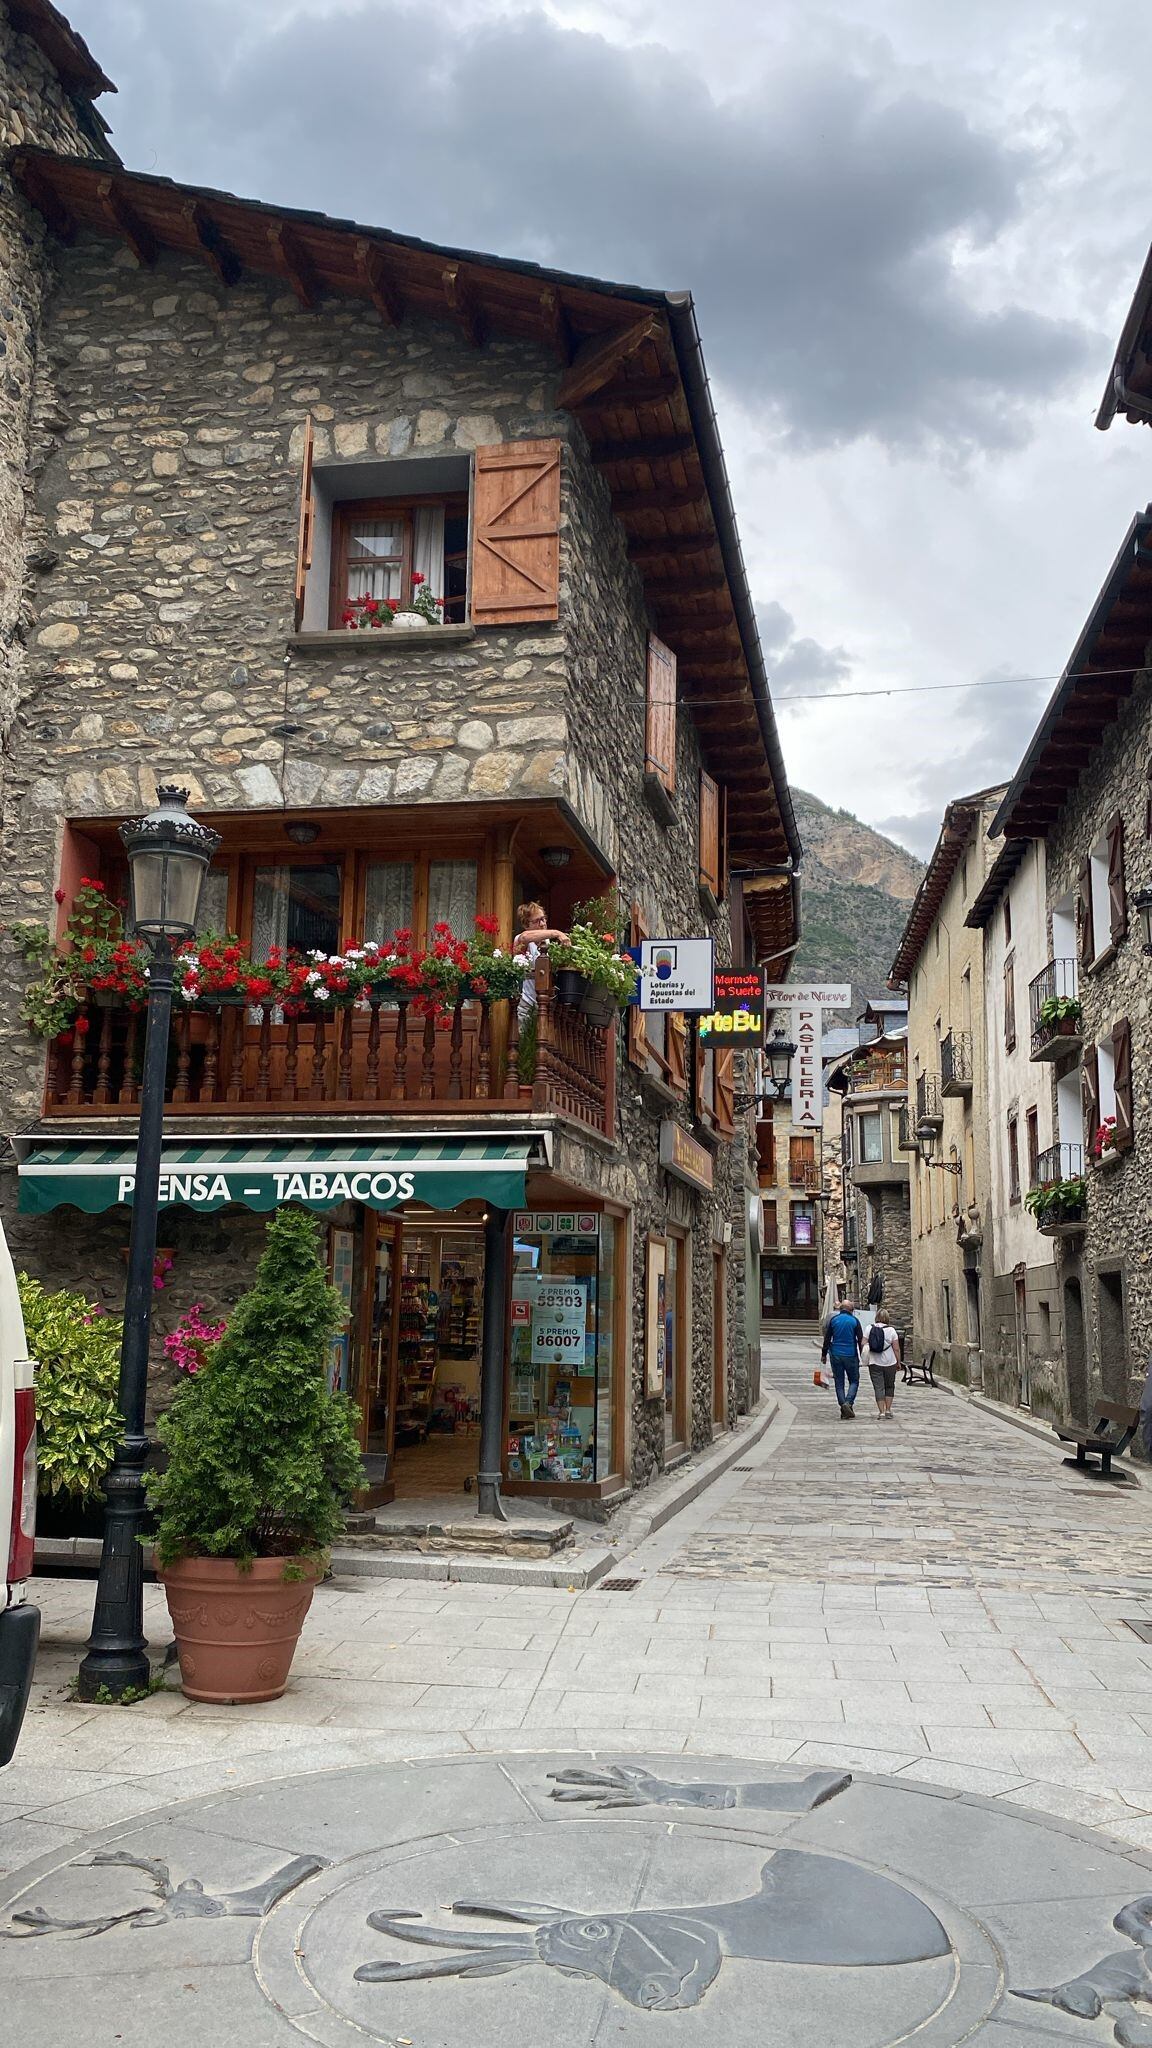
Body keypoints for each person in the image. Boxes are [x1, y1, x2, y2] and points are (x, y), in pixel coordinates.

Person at [513, 901, 569, 1025]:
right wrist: (557, 933)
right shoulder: (521, 939)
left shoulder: (547, 943)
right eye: (537, 921)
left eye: (544, 919)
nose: (543, 923)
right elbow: (525, 937)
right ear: (526, 925)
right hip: (525, 1004)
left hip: (544, 1005)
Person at [821, 1300, 864, 1419]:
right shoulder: (854, 1321)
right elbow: (860, 1340)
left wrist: (824, 1354)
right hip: (850, 1354)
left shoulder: (834, 1320)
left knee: (839, 1382)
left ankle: (843, 1405)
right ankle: (848, 1403)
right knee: (854, 1381)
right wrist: (862, 1356)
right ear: (851, 1310)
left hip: (835, 1354)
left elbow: (827, 1338)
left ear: (841, 1309)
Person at [866, 1317, 901, 1420]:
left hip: (874, 1362)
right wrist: (898, 1362)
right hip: (890, 1362)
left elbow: (863, 1343)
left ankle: (881, 1412)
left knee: (878, 1387)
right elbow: (896, 1348)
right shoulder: (891, 1330)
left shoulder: (869, 1328)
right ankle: (888, 1410)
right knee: (889, 1386)